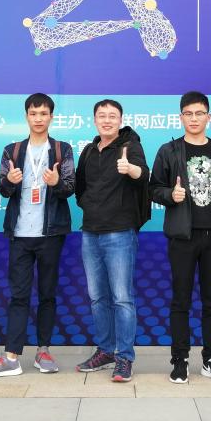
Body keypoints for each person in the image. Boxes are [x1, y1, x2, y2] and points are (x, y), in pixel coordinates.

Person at [0, 93, 75, 378]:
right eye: (33, 113)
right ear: (26, 116)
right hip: (20, 234)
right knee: (18, 296)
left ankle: (43, 350)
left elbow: (70, 187)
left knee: (47, 294)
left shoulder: (62, 149)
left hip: (51, 234)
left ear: (51, 117)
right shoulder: (13, 150)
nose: (38, 119)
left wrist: (57, 183)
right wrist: (9, 182)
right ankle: (11, 356)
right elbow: (3, 191)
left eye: (43, 113)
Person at [150, 91, 211, 384]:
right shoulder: (169, 150)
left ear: (208, 117)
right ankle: (180, 360)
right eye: (188, 114)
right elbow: (153, 188)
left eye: (199, 113)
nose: (193, 119)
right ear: (181, 117)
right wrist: (170, 195)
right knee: (181, 300)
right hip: (182, 237)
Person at [74, 99, 150, 383]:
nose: (107, 120)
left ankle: (124, 357)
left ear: (120, 120)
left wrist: (130, 169)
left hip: (119, 233)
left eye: (112, 116)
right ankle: (105, 350)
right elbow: (80, 188)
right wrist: (91, 206)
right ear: (95, 120)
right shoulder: (89, 150)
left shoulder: (131, 146)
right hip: (90, 232)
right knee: (97, 297)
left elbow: (144, 175)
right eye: (102, 116)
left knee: (122, 298)